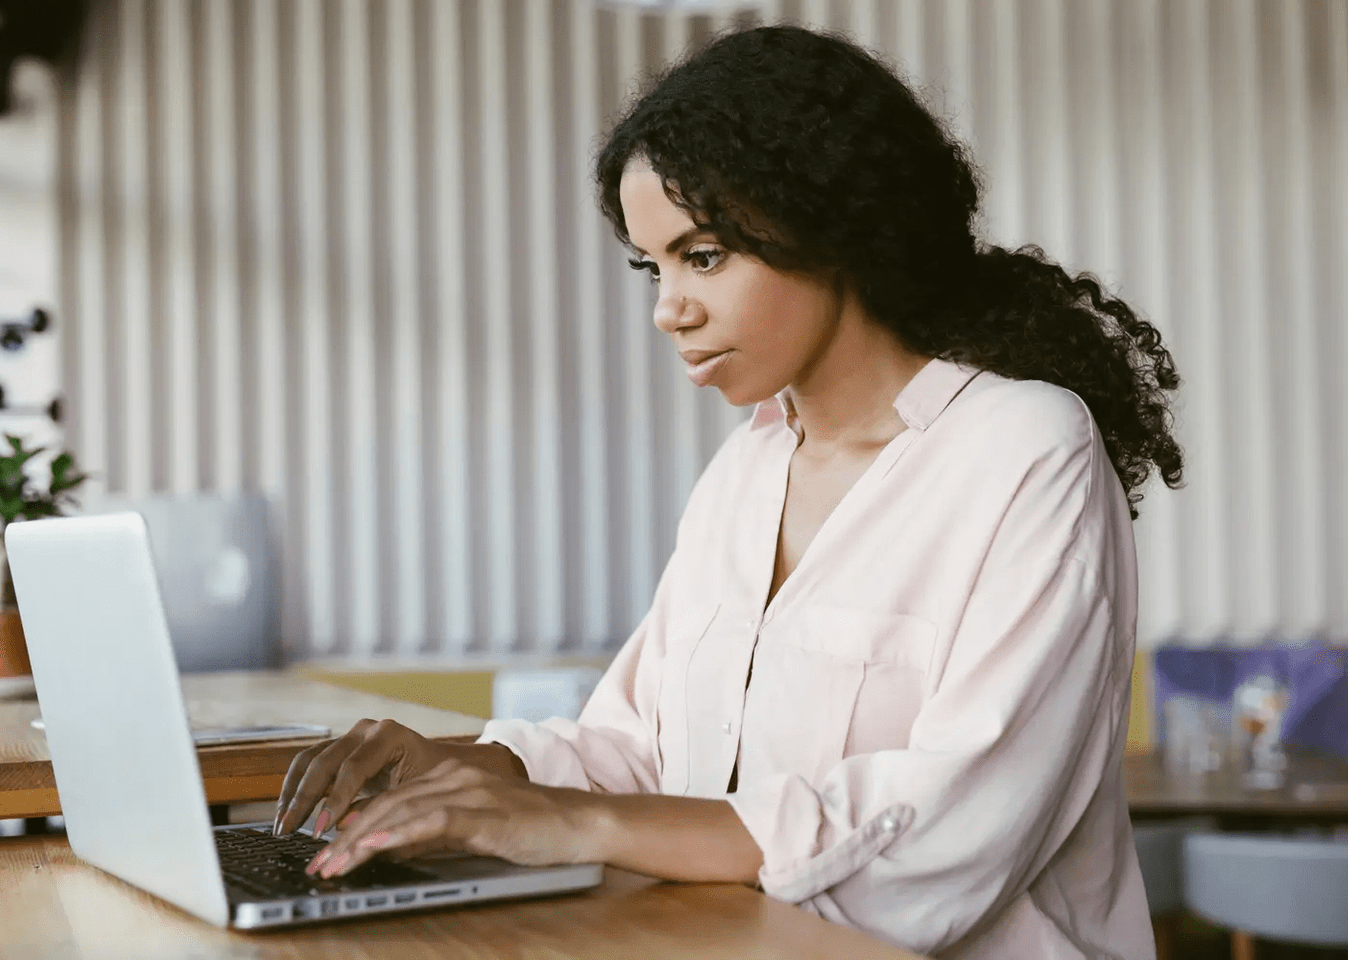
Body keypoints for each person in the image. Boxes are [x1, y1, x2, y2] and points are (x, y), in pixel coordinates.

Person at [274, 24, 1183, 959]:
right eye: (652, 265)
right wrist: (478, 770)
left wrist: (581, 827)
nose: (669, 308)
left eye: (703, 256)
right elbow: (641, 750)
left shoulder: (1026, 449)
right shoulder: (742, 475)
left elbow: (953, 827)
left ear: (836, 227)